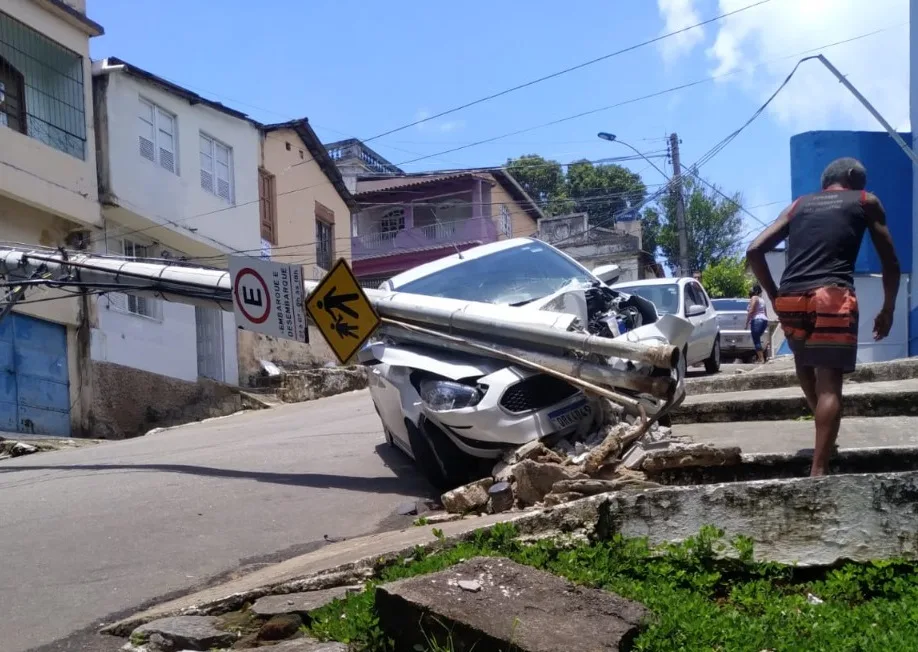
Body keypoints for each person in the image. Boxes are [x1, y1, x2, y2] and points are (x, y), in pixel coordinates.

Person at [746, 157, 900, 477]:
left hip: (790, 295)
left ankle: (824, 437)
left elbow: (754, 250)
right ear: (850, 176)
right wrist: (888, 308)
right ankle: (819, 472)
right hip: (831, 295)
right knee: (829, 385)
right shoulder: (865, 201)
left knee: (805, 366)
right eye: (863, 178)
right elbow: (890, 262)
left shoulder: (799, 205)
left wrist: (775, 297)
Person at [745, 284, 769, 364]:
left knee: (756, 340)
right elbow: (765, 313)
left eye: (751, 289)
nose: (749, 291)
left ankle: (761, 359)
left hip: (756, 320)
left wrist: (747, 322)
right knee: (757, 339)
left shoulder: (754, 298)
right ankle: (760, 358)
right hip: (764, 320)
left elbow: (751, 311)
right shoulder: (762, 300)